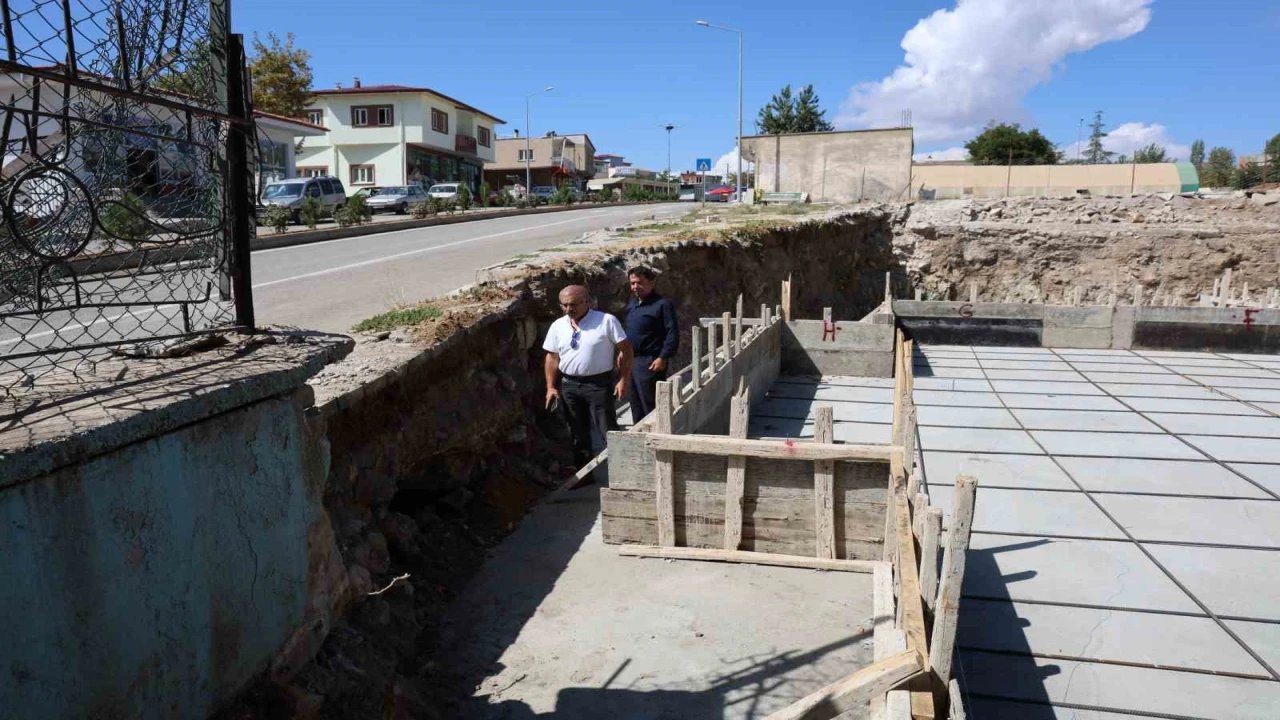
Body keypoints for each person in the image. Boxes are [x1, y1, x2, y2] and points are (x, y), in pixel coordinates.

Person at [544, 285, 633, 478]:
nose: (568, 309)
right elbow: (552, 357)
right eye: (564, 305)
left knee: (608, 429)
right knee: (577, 432)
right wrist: (550, 387)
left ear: (587, 302)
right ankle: (584, 475)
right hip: (569, 385)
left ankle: (623, 474)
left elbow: (625, 350)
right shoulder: (558, 325)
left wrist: (623, 379)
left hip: (598, 384)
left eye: (573, 304)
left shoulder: (606, 321)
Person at [623, 266, 679, 424]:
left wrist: (662, 357)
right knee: (634, 402)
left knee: (650, 403)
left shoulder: (662, 304)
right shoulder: (633, 304)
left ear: (651, 283)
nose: (635, 287)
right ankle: (639, 435)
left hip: (649, 361)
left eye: (639, 283)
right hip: (631, 360)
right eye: (632, 283)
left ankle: (655, 433)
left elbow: (672, 333)